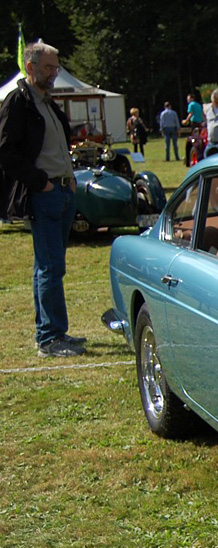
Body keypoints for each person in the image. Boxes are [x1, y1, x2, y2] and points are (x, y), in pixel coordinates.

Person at [0, 41, 87, 357]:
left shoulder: (47, 103)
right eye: (49, 67)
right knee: (50, 268)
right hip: (45, 193)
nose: (54, 73)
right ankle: (50, 338)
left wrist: (70, 179)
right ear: (31, 66)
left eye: (56, 67)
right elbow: (6, 153)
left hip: (62, 191)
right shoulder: (19, 103)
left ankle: (51, 333)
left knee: (48, 266)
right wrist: (41, 184)